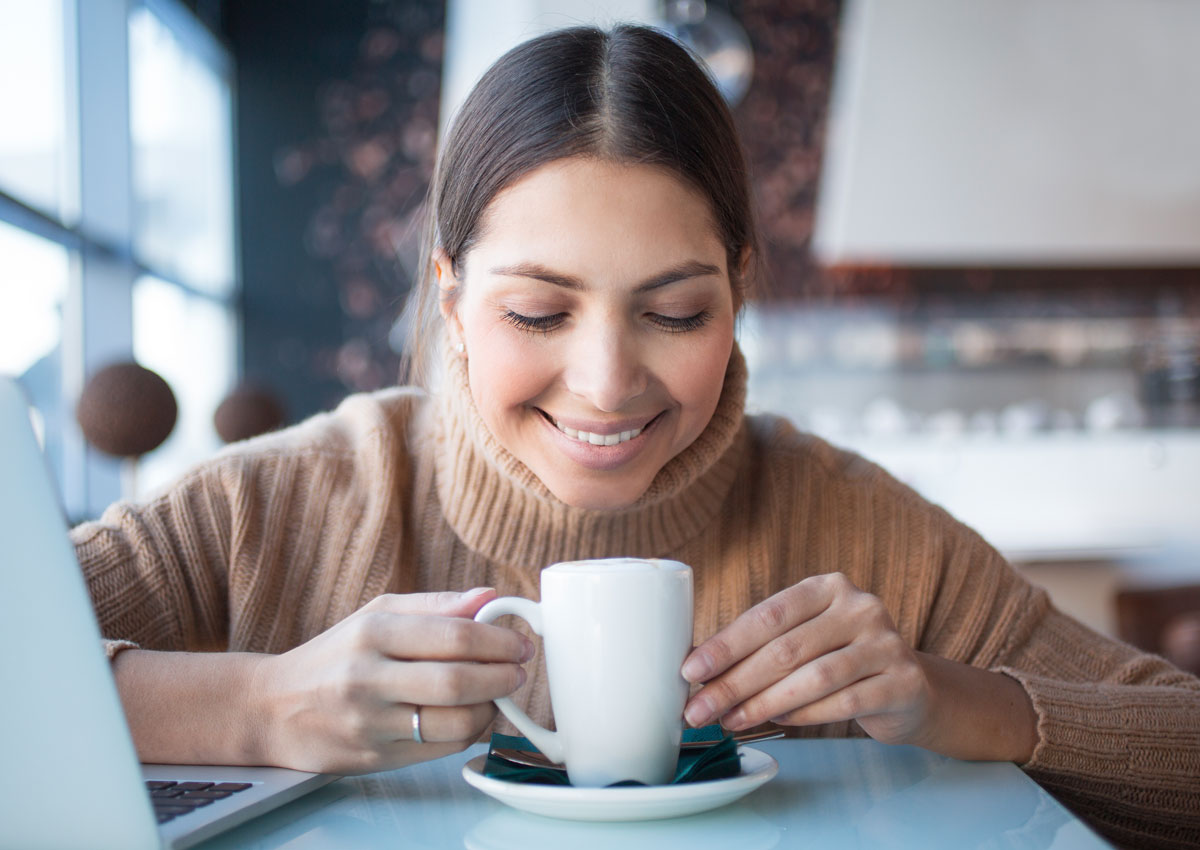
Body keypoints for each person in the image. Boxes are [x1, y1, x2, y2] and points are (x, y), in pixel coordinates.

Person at [71, 24, 1198, 848]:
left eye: (675, 312)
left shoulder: (860, 530)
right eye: (537, 312)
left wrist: (958, 703)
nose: (608, 385)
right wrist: (257, 704)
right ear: (452, 298)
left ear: (740, 290)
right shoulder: (274, 508)